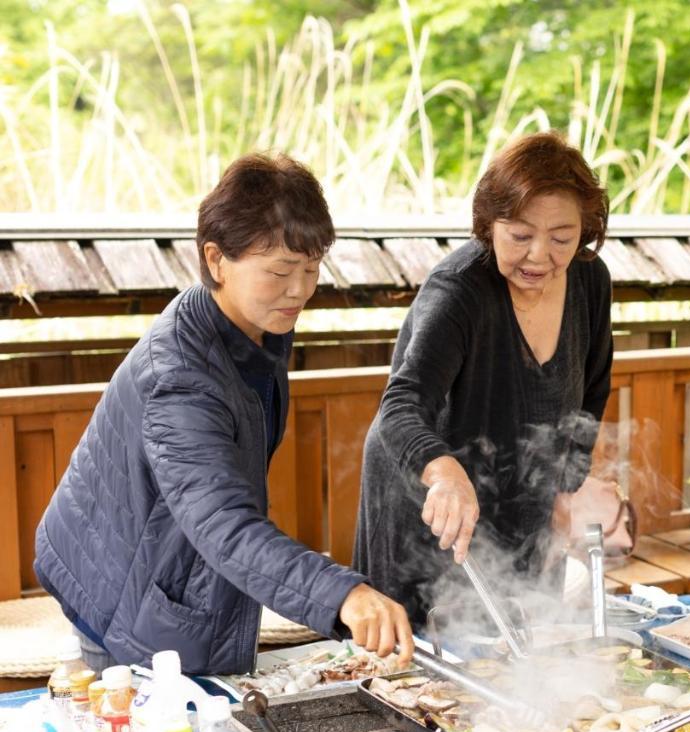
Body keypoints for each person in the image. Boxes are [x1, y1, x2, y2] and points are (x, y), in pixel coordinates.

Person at [35, 153, 414, 675]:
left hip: (154, 550)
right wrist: (342, 594)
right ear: (216, 261)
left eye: (311, 269)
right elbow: (223, 524)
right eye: (280, 271)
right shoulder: (180, 377)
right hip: (117, 583)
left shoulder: (253, 318)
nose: (300, 290)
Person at [354, 132, 613, 622]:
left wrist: (565, 487)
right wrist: (444, 471)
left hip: (520, 496)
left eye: (561, 238)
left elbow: (594, 391)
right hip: (426, 502)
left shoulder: (589, 281)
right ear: (488, 225)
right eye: (519, 236)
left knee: (520, 646)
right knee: (425, 668)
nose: (539, 256)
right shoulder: (458, 292)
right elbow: (401, 406)